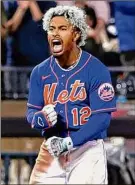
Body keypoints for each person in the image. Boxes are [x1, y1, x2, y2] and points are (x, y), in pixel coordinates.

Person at [26, 5, 116, 184]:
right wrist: (41, 118)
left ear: (76, 34)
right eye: (51, 29)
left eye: (62, 28)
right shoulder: (40, 72)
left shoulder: (96, 69)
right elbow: (31, 115)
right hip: (52, 148)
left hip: (87, 149)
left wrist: (69, 142)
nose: (55, 34)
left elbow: (102, 119)